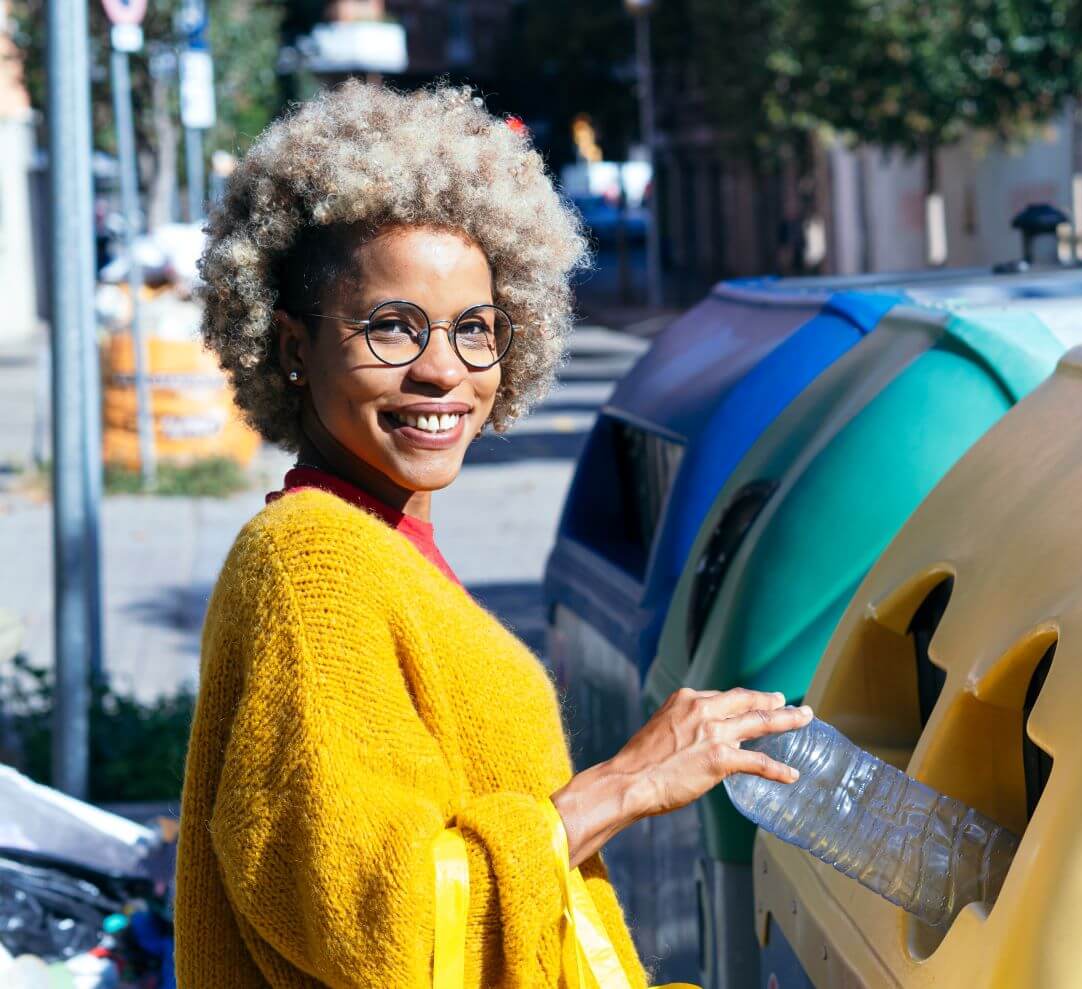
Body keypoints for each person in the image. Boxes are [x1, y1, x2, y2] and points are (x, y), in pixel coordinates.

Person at [175, 82, 812, 988]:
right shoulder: (309, 562)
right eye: (390, 327)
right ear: (289, 344)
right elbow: (375, 921)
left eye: (475, 329)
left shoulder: (380, 544)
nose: (442, 370)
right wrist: (625, 783)